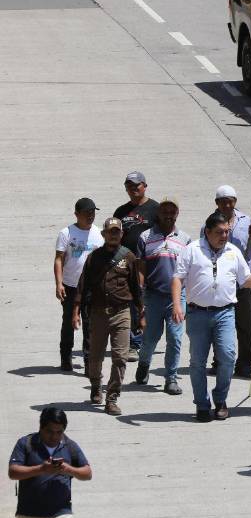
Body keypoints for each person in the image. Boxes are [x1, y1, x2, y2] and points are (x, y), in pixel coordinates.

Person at [172, 212, 251, 422]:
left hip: (225, 313)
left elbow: (245, 280)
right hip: (197, 313)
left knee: (228, 357)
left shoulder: (233, 252)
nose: (224, 236)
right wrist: (177, 305)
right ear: (207, 232)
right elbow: (178, 278)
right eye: (219, 232)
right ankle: (202, 404)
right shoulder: (192, 249)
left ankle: (220, 399)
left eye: (227, 232)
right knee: (197, 362)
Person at [73, 218, 144, 416]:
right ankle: (96, 385)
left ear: (121, 234)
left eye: (116, 232)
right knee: (95, 356)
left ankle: (112, 397)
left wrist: (142, 313)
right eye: (110, 232)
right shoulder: (94, 257)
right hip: (98, 313)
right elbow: (82, 285)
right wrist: (76, 311)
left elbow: (136, 288)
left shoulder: (128, 257)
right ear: (104, 234)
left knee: (120, 358)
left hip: (121, 313)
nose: (113, 235)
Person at [203, 185, 251, 378]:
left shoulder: (247, 221)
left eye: (231, 201)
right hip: (220, 282)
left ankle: (245, 363)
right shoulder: (210, 223)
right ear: (217, 203)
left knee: (246, 326)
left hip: (243, 282)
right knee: (219, 324)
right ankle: (220, 361)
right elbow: (204, 248)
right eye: (223, 202)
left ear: (235, 201)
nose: (227, 205)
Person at [135, 196, 191, 395]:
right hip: (153, 296)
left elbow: (189, 270)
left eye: (172, 211)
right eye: (164, 211)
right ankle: (144, 363)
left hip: (177, 298)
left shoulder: (185, 239)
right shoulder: (145, 237)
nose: (168, 215)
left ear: (177, 214)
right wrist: (140, 296)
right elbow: (140, 268)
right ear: (157, 213)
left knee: (175, 339)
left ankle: (171, 378)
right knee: (150, 338)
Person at [8, 407, 92, 518]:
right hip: (29, 515)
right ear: (41, 428)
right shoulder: (26, 443)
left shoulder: (70, 445)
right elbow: (13, 472)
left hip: (61, 514)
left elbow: (87, 473)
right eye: (50, 432)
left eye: (59, 432)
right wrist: (41, 469)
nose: (54, 436)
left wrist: (68, 469)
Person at [113, 171, 159, 362]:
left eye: (137, 185)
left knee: (149, 302)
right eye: (129, 186)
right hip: (127, 265)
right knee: (131, 302)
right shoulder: (121, 211)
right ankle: (134, 343)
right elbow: (115, 238)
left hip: (151, 263)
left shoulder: (155, 209)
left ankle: (147, 339)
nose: (133, 188)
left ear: (145, 186)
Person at [54, 198, 103, 372]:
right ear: (76, 214)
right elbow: (59, 259)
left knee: (90, 325)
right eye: (86, 213)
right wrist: (59, 283)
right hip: (70, 286)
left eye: (93, 212)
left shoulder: (99, 233)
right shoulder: (66, 233)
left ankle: (89, 363)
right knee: (69, 322)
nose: (90, 216)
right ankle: (65, 357)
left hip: (91, 288)